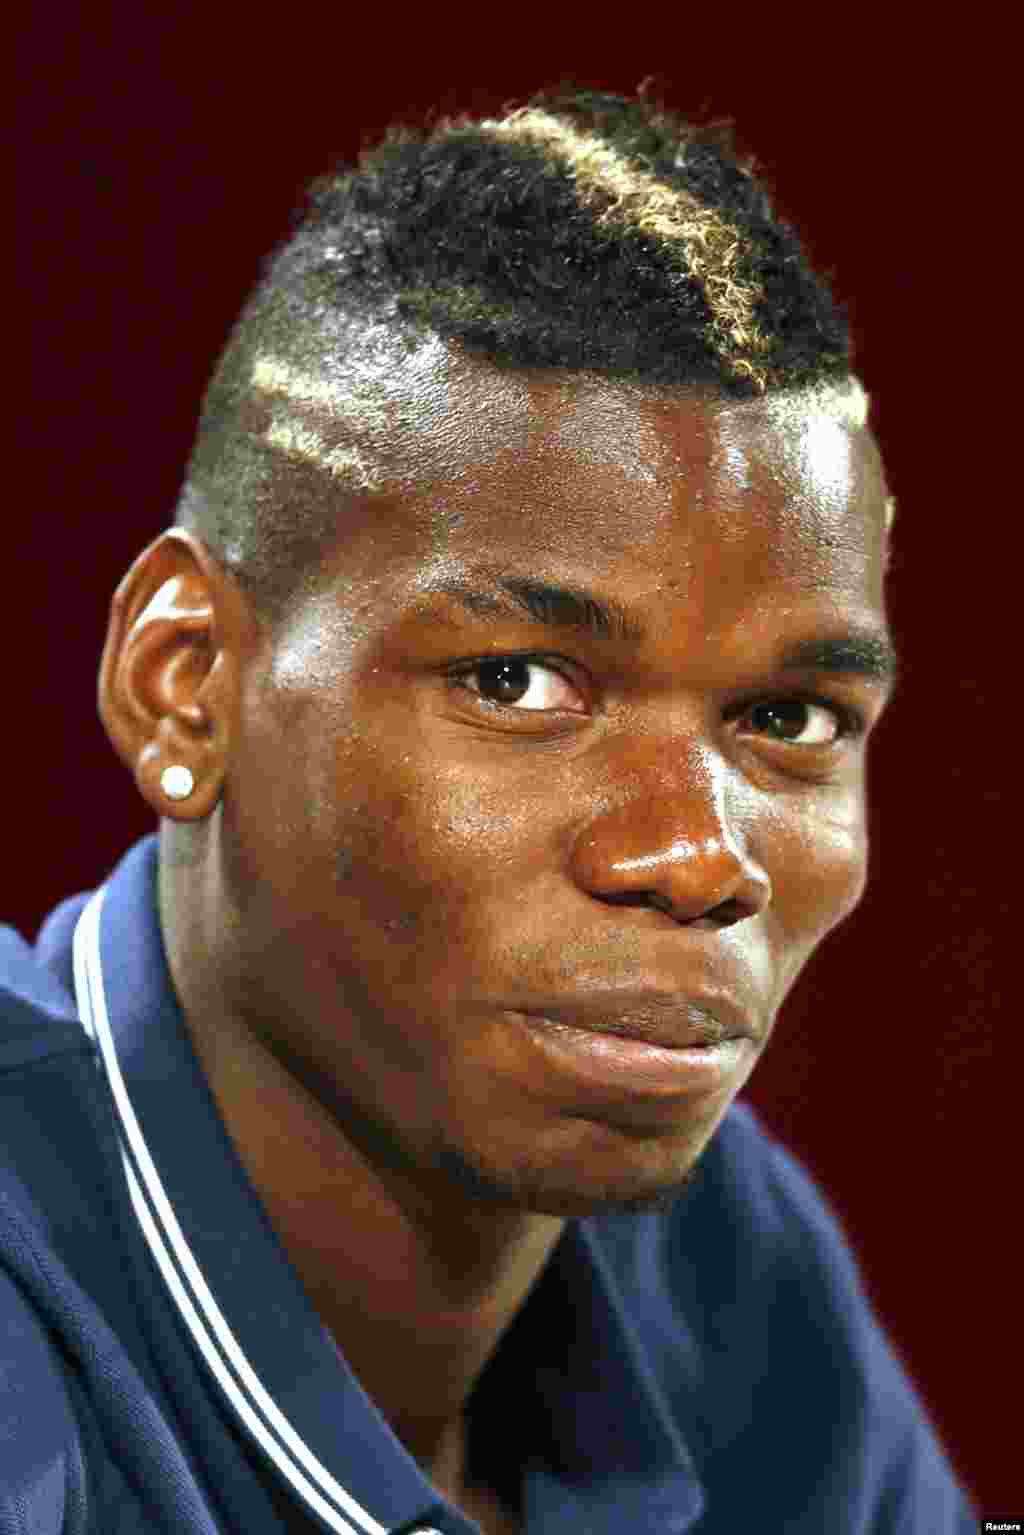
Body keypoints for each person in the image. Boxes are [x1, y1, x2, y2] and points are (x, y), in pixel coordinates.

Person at [0, 83, 976, 1534]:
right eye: (518, 683)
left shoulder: (727, 1267)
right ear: (185, 686)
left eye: (786, 720)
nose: (695, 857)